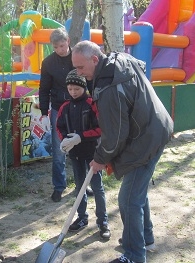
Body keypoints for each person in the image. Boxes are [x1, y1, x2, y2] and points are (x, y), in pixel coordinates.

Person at [71, 40, 174, 263]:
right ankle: (145, 239)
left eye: (80, 67)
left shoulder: (109, 87)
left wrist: (100, 159)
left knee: (128, 199)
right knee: (135, 193)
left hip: (145, 139)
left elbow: (115, 135)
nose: (78, 73)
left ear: (95, 59)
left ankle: (135, 255)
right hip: (155, 128)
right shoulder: (119, 59)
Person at [56, 69, 111, 239]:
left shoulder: (91, 103)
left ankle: (102, 221)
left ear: (84, 88)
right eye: (70, 89)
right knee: (79, 187)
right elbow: (59, 127)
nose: (73, 92)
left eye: (77, 89)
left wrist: (81, 136)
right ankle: (82, 218)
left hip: (93, 154)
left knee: (97, 187)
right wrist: (64, 140)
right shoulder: (65, 107)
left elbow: (101, 128)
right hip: (75, 154)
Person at [38, 27, 74, 202]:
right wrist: (44, 112)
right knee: (59, 150)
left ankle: (83, 183)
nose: (60, 49)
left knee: (82, 148)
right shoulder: (48, 63)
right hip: (58, 108)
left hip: (79, 106)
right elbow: (44, 89)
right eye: (56, 47)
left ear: (68, 41)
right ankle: (59, 186)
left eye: (62, 45)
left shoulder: (77, 57)